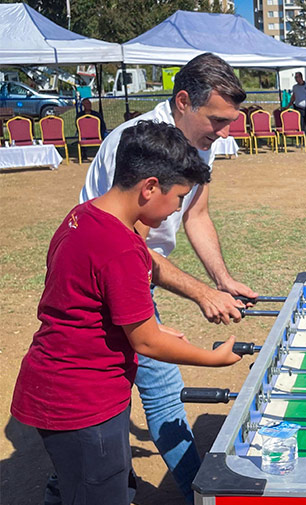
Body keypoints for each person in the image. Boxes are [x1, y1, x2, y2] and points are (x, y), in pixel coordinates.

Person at [11, 120, 243, 505]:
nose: (174, 212)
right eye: (177, 198)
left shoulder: (84, 215)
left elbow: (96, 307)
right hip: (83, 401)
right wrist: (213, 359)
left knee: (86, 483)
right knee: (97, 489)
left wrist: (160, 332)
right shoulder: (121, 249)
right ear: (149, 187)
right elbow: (146, 340)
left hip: (69, 387)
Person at [78, 52, 258, 504]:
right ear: (183, 101)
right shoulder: (134, 143)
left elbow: (197, 212)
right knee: (159, 391)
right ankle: (202, 493)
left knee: (119, 388)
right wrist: (200, 294)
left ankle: (85, 477)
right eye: (217, 120)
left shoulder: (201, 139)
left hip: (138, 270)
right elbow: (129, 249)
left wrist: (221, 279)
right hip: (118, 275)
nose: (224, 132)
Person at [289, 72, 306, 147]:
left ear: (301, 77)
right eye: (295, 77)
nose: (296, 79)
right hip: (299, 108)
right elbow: (293, 97)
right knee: (300, 125)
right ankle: (302, 141)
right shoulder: (295, 87)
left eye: (297, 77)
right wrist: (288, 106)